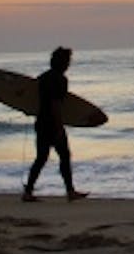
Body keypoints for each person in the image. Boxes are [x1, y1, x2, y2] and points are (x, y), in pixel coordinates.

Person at [23, 46, 88, 202]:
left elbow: (29, 99)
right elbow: (55, 104)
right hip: (52, 123)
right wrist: (58, 126)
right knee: (64, 156)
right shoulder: (61, 80)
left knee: (41, 158)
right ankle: (70, 192)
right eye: (68, 61)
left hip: (41, 122)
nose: (69, 64)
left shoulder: (43, 77)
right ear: (63, 63)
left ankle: (28, 192)